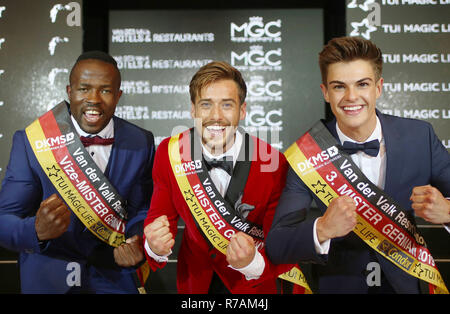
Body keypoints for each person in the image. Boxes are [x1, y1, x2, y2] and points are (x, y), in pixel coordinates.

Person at [266, 36, 450, 294]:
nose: (351, 97)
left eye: (362, 84)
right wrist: (323, 228)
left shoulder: (420, 136)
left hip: (407, 285)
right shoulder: (305, 154)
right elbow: (277, 244)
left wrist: (448, 212)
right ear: (325, 93)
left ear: (378, 87)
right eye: (339, 87)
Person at [0, 51, 155, 293]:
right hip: (50, 278)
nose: (93, 99)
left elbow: (141, 209)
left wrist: (136, 240)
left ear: (118, 96)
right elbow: (4, 221)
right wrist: (36, 231)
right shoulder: (33, 141)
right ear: (69, 92)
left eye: (105, 90)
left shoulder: (140, 141)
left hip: (114, 277)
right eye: (84, 89)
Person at [143, 61, 294, 293]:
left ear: (242, 110)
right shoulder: (170, 152)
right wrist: (154, 246)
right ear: (193, 110)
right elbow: (159, 221)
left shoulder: (273, 163)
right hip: (195, 283)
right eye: (206, 105)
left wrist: (251, 263)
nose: (216, 116)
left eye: (227, 105)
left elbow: (283, 244)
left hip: (251, 286)